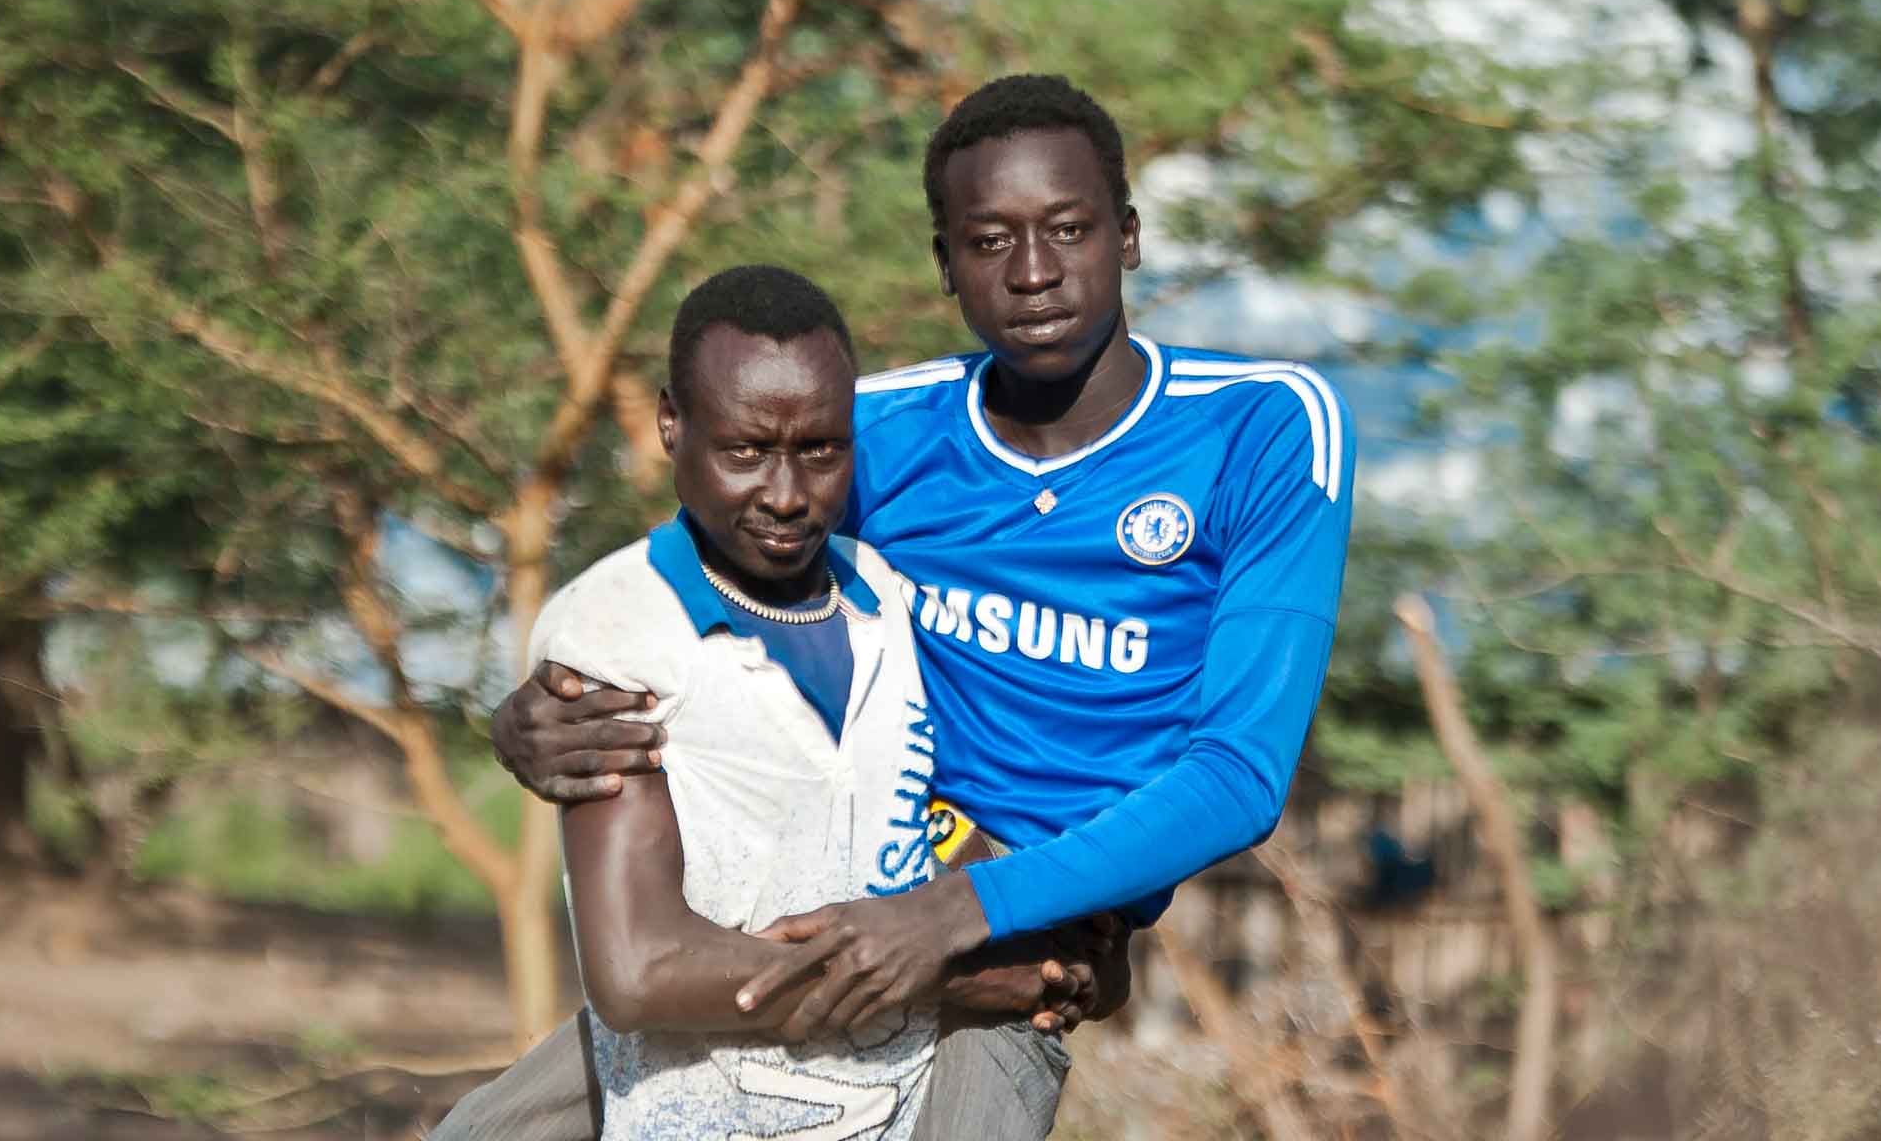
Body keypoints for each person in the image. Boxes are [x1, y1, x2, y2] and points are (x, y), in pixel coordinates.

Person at [461, 73, 1357, 1139]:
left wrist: (957, 913)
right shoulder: (874, 430)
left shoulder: (1259, 428)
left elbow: (1237, 776)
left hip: (1019, 938)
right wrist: (529, 716)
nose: (1031, 272)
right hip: (814, 897)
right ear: (943, 262)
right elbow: (695, 567)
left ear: (1125, 235)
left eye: (1067, 229)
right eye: (987, 241)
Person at [433, 265, 1113, 1141]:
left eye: (820, 452)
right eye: (746, 452)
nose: (788, 496)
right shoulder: (620, 634)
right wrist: (947, 971)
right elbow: (639, 971)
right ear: (671, 424)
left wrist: (1035, 937)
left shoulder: (884, 597)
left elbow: (925, 822)